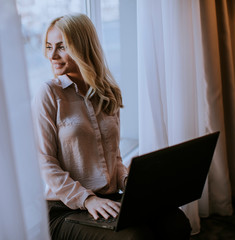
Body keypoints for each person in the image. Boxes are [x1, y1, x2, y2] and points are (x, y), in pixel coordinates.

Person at [32, 13, 191, 240]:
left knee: (175, 222)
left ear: (82, 47)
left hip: (108, 199)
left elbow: (113, 158)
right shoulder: (48, 93)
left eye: (61, 47)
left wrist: (130, 184)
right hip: (64, 208)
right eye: (49, 47)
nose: (52, 55)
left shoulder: (108, 93)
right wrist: (87, 199)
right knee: (135, 237)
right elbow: (45, 163)